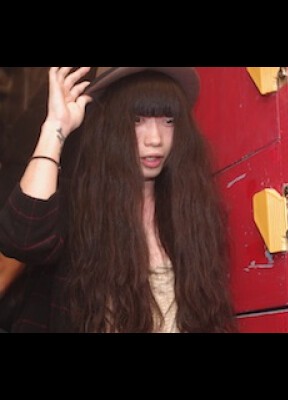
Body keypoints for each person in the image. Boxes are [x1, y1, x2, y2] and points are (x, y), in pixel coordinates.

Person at [0, 67, 238, 333]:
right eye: (137, 120)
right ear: (111, 126)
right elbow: (22, 238)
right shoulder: (81, 206)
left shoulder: (193, 213)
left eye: (168, 120)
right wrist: (55, 128)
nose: (155, 139)